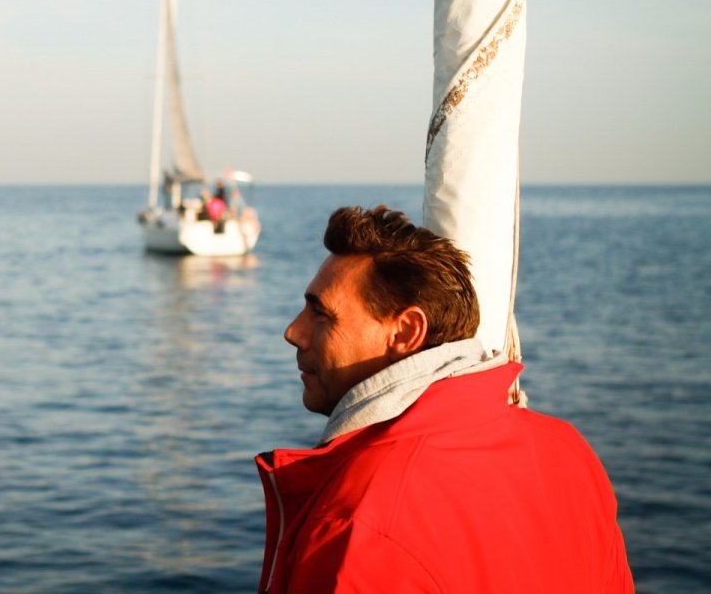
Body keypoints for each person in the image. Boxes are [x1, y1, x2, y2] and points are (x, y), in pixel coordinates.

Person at [256, 205, 632, 593]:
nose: (293, 332)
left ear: (405, 332)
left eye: (321, 315)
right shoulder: (567, 450)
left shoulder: (356, 522)